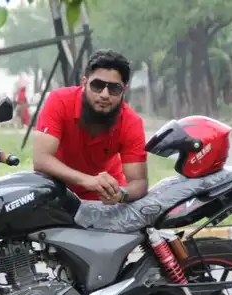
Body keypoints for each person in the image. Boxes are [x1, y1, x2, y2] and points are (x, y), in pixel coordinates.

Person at [33, 49, 148, 205]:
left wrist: (121, 194)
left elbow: (139, 182)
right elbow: (41, 159)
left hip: (103, 196)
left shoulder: (131, 122)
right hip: (56, 189)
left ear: (124, 91)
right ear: (84, 83)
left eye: (114, 88)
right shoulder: (59, 100)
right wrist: (87, 180)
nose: (105, 95)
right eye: (97, 85)